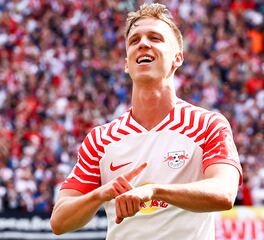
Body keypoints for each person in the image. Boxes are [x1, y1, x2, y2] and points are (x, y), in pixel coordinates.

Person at [50, 3, 242, 240]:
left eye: (155, 38)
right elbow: (59, 220)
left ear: (177, 58)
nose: (143, 43)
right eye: (134, 41)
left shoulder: (207, 124)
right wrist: (100, 194)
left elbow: (224, 193)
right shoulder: (101, 139)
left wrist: (154, 191)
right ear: (125, 63)